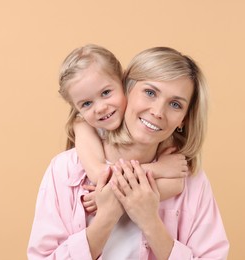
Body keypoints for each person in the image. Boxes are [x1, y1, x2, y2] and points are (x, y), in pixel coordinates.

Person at [27, 46, 229, 259]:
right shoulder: (65, 170)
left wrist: (149, 221)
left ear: (184, 120)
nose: (158, 112)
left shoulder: (190, 181)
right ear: (126, 89)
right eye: (150, 93)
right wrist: (108, 216)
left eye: (175, 104)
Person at [57, 44, 188, 213]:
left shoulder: (155, 126)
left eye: (105, 93)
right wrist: (157, 169)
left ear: (124, 83)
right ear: (78, 108)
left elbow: (175, 185)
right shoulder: (84, 126)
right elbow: (99, 175)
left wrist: (111, 200)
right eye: (87, 104)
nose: (101, 108)